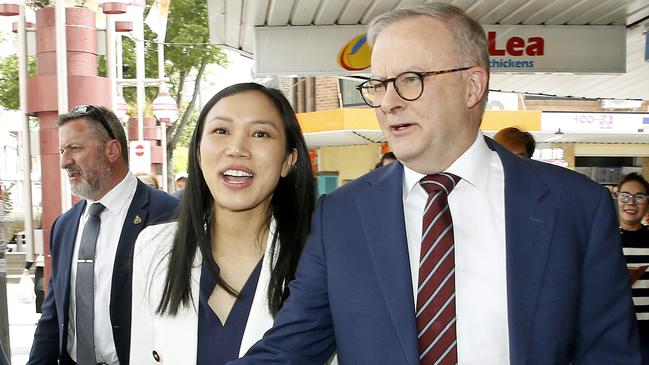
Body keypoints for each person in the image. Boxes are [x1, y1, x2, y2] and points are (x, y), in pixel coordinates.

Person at [230, 3, 640, 364]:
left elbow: (608, 352)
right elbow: (291, 347)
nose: (388, 102)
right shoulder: (341, 216)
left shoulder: (576, 207)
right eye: (379, 84)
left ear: (472, 86)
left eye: (410, 79)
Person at [129, 83, 319, 364]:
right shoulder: (154, 247)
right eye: (221, 131)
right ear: (197, 152)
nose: (237, 148)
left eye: (260, 133)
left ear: (288, 160)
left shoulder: (318, 258)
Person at [28, 105, 179, 365]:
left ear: (112, 150)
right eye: (62, 151)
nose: (64, 161)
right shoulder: (64, 226)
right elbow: (53, 314)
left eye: (75, 148)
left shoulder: (169, 215)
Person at [616, 172, 649, 363]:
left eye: (639, 197)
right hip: (616, 326)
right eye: (625, 196)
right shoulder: (604, 240)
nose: (631, 202)